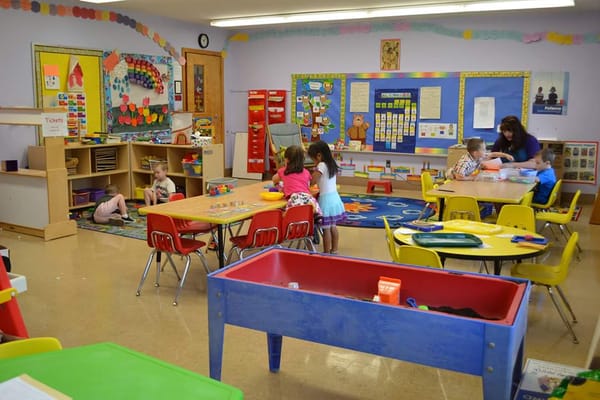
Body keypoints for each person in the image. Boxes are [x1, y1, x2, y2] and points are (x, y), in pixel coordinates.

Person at [307, 140, 346, 254]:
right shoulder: (331, 163)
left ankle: (325, 252)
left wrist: (308, 176)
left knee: (326, 229)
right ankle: (334, 249)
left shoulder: (321, 165)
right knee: (333, 226)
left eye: (313, 159)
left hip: (326, 200)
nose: (313, 161)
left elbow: (313, 180)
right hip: (334, 198)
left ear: (319, 155)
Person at [272, 145, 322, 215]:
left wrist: (279, 186)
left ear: (287, 159)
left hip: (295, 199)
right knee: (308, 217)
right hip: (309, 199)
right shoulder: (306, 172)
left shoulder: (283, 171)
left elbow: (274, 179)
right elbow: (307, 184)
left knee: (287, 217)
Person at [449, 138, 513, 180]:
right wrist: (472, 178)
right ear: (475, 153)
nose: (486, 150)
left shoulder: (479, 155)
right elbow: (458, 177)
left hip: (463, 176)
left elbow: (493, 154)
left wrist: (506, 155)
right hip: (452, 179)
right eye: (483, 149)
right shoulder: (465, 162)